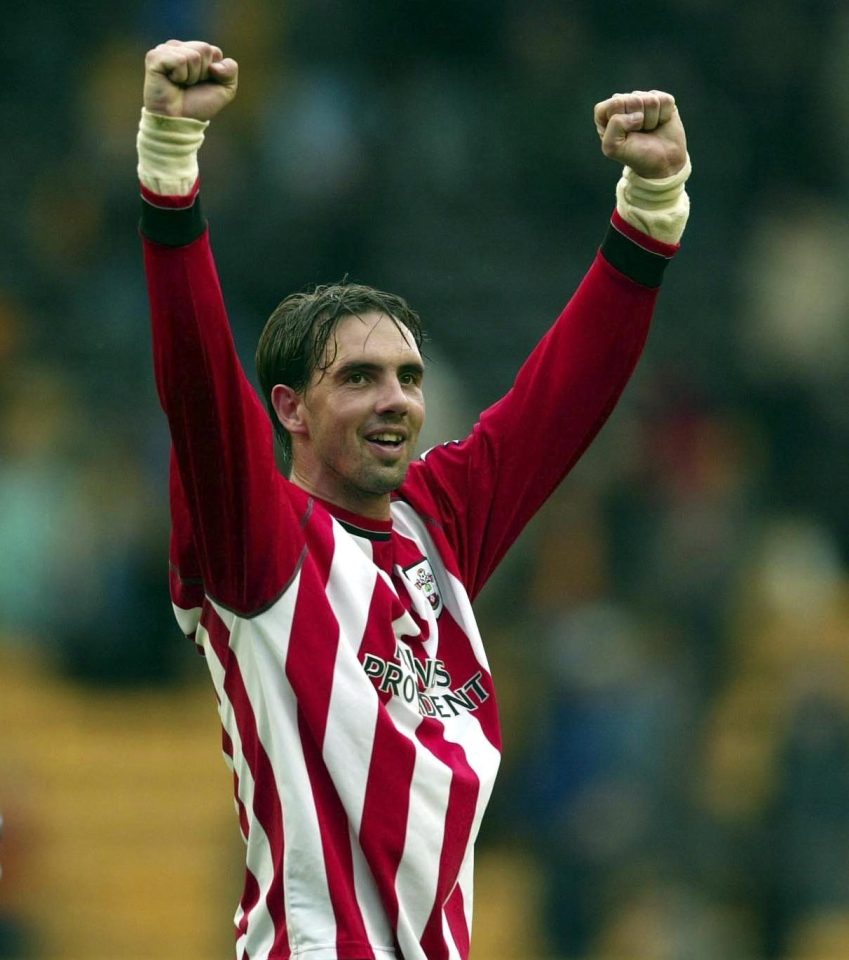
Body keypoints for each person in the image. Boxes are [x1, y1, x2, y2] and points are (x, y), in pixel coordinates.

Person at [137, 38, 690, 960]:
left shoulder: (434, 527)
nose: (395, 398)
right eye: (357, 378)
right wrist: (168, 166)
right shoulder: (261, 545)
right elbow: (197, 385)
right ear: (292, 411)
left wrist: (651, 206)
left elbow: (560, 404)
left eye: (407, 376)